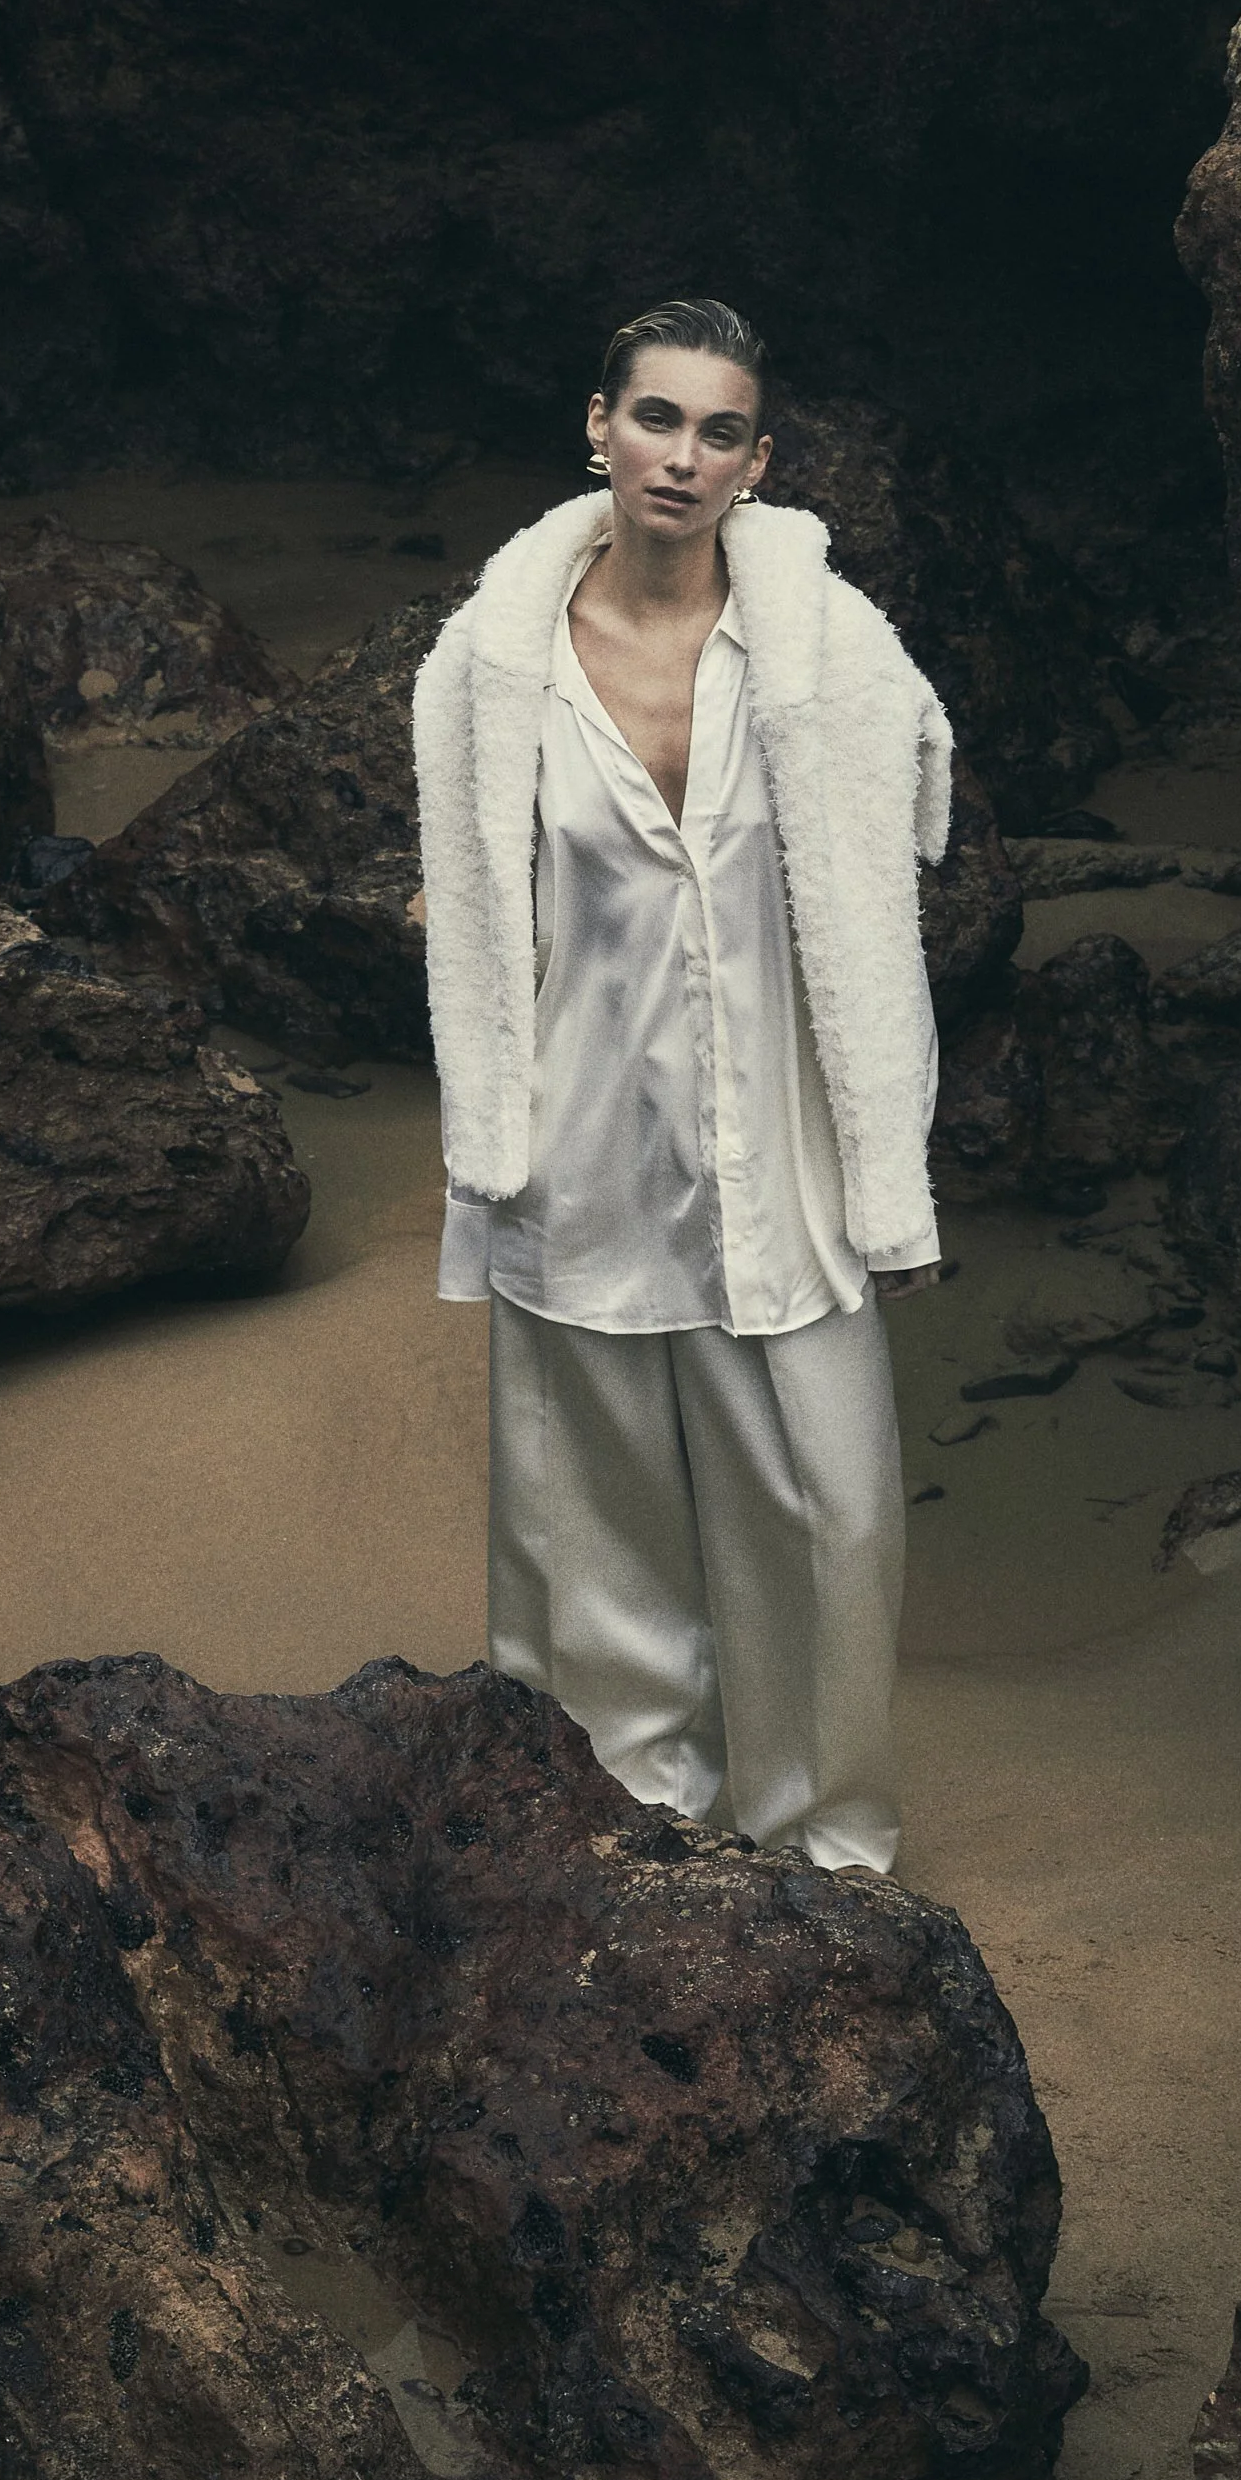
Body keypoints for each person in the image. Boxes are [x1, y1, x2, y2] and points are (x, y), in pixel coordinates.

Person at [412, 297, 952, 1874]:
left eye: (720, 431)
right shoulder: (494, 659)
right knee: (593, 1518)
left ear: (756, 463)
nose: (682, 455)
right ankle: (629, 1831)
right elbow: (470, 862)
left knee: (827, 1504)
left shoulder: (824, 647)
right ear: (600, 426)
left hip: (774, 1136)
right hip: (579, 1135)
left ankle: (824, 1846)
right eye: (656, 416)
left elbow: (915, 797)